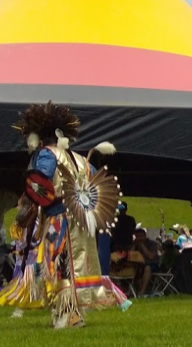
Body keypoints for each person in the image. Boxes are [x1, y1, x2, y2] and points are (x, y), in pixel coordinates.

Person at [14, 101, 121, 328]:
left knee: (60, 264)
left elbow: (40, 180)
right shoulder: (81, 159)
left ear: (41, 139)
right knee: (77, 264)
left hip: (59, 218)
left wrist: (32, 203)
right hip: (84, 219)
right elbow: (94, 183)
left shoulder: (46, 154)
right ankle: (71, 313)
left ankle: (67, 315)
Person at [132, 228, 157, 296]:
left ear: (145, 236)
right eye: (137, 236)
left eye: (141, 236)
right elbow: (130, 255)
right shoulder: (134, 244)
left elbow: (151, 256)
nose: (139, 238)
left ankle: (143, 291)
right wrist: (134, 246)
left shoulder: (152, 244)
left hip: (151, 264)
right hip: (138, 265)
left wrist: (142, 246)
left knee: (147, 268)